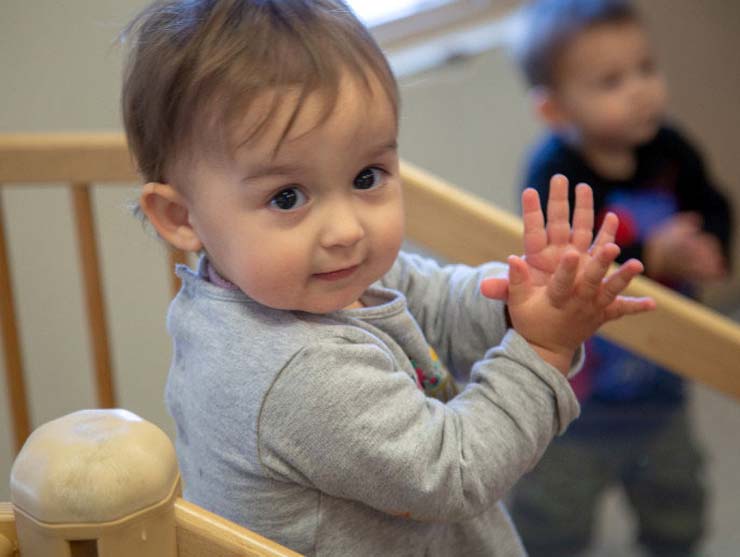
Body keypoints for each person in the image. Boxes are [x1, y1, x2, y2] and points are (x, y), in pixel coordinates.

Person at [120, 1, 654, 555]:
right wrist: (542, 348)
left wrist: (517, 301)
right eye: (287, 197)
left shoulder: (308, 280)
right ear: (182, 218)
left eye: (366, 176)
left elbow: (435, 303)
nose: (346, 229)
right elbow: (456, 469)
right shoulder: (297, 375)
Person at [507, 1, 734, 556]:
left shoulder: (671, 148)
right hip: (579, 401)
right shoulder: (553, 172)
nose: (640, 90)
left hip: (661, 385)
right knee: (552, 517)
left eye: (646, 68)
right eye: (611, 81)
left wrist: (712, 244)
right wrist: (650, 251)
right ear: (556, 110)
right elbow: (566, 259)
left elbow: (714, 203)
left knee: (678, 504)